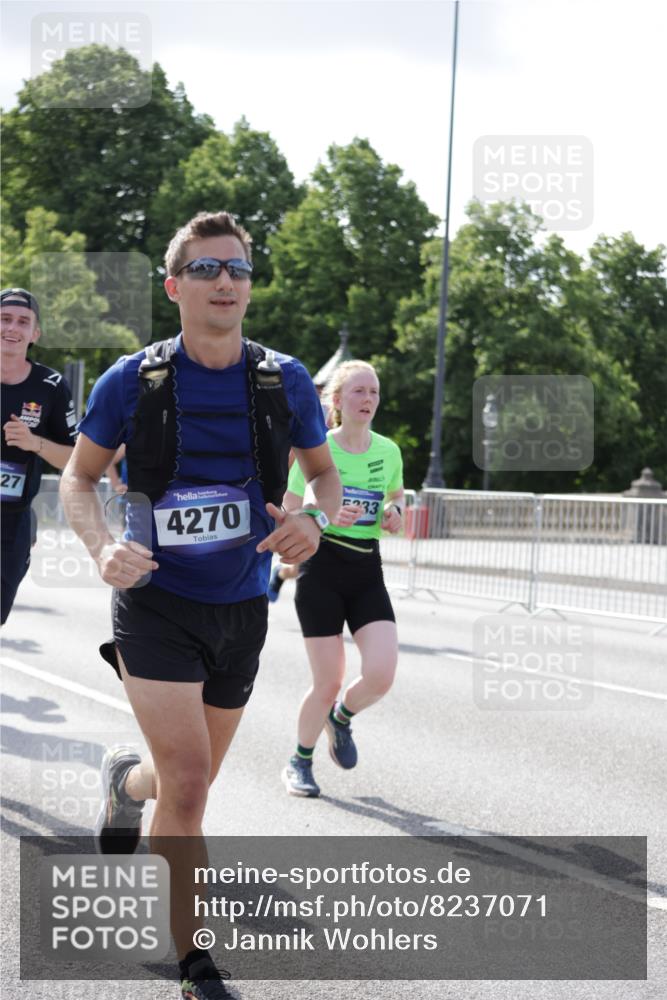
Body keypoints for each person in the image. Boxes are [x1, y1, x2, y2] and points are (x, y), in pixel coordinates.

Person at [59, 211, 341, 1000]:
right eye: (209, 269)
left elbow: (322, 476)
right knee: (191, 786)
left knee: (186, 776)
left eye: (239, 270)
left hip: (242, 606)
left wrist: (311, 519)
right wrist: (101, 548)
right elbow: (79, 480)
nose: (226, 282)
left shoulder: (281, 379)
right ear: (174, 285)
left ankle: (125, 783)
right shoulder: (133, 379)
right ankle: (195, 964)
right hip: (154, 602)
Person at [281, 360, 404, 798]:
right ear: (337, 401)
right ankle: (300, 759)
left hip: (367, 570)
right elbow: (289, 509)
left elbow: (397, 497)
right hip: (321, 571)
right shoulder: (317, 449)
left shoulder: (388, 451)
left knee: (381, 673)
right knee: (328, 680)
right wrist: (323, 516)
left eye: (373, 392)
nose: (368, 399)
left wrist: (395, 514)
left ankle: (342, 717)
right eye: (358, 391)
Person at [1, 288, 77, 624]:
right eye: (4, 319)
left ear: (35, 333)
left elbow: (76, 461)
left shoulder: (50, 385)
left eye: (22, 322)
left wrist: (35, 444)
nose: (12, 328)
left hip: (12, 525)